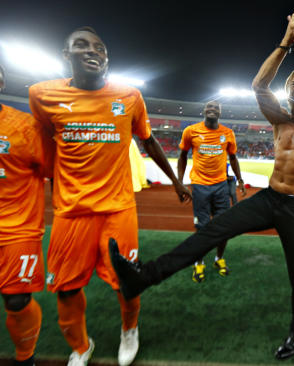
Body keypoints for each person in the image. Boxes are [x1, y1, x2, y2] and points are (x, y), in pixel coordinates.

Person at [109, 7, 294, 360]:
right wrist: (282, 44)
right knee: (210, 232)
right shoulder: (278, 120)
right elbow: (259, 86)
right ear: (286, 92)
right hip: (269, 198)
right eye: (293, 85)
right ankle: (143, 277)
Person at [28, 27, 191, 366]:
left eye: (99, 47)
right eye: (81, 45)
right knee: (67, 289)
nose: (92, 51)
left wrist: (176, 180)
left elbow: (148, 141)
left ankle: (129, 330)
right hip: (71, 212)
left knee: (126, 283)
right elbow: (42, 145)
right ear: (65, 54)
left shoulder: (129, 96)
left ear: (107, 58)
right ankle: (81, 346)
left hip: (118, 209)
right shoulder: (41, 95)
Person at [0, 64, 52, 366]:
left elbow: (52, 170)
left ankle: (25, 357)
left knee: (17, 301)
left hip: (18, 229)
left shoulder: (25, 126)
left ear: (2, 82)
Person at [177, 100, 246, 282]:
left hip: (221, 186)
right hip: (199, 186)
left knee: (223, 227)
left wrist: (239, 180)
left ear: (220, 113)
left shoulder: (227, 133)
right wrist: (179, 182)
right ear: (204, 111)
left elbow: (233, 158)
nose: (212, 109)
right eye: (209, 107)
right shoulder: (191, 131)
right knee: (202, 228)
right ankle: (199, 262)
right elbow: (182, 156)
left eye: (216, 108)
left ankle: (219, 259)